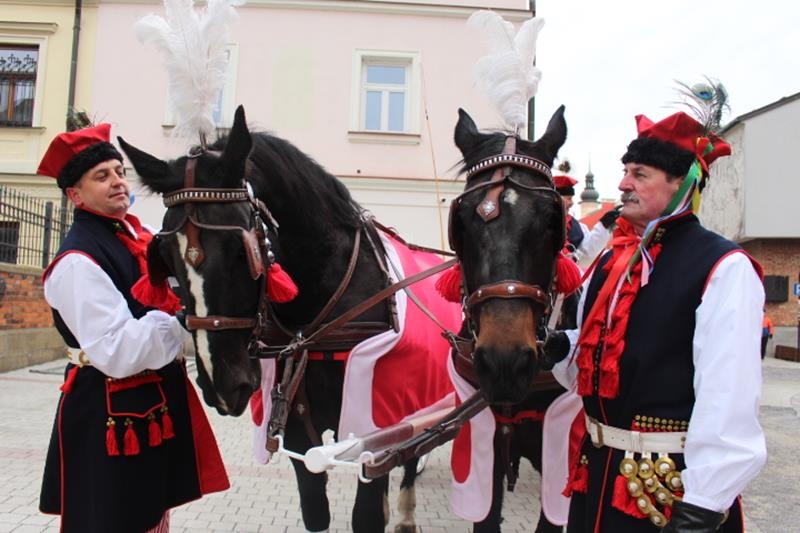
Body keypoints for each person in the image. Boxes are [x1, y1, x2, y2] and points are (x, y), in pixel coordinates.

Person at [544, 111, 767, 532]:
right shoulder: (612, 263)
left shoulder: (724, 267)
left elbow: (729, 396)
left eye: (639, 174)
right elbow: (597, 367)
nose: (623, 184)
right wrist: (560, 348)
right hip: (597, 481)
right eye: (625, 171)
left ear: (680, 182)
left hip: (665, 494)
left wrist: (704, 504)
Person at [36, 123, 230, 532]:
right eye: (101, 176)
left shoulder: (135, 237)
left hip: (144, 405)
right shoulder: (77, 262)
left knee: (151, 516)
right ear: (75, 195)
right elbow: (117, 349)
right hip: (108, 410)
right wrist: (181, 323)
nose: (118, 181)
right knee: (114, 520)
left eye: (119, 171)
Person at [554, 174, 619, 266]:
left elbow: (586, 254)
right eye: (569, 198)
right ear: (556, 199)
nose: (572, 203)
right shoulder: (541, 223)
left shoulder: (578, 226)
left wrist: (604, 225)